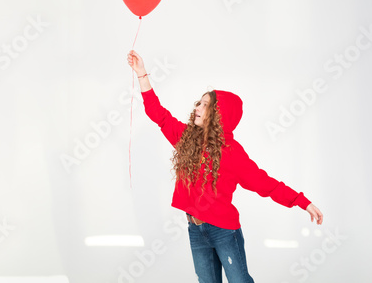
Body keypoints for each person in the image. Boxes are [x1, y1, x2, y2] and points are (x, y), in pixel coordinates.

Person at [127, 50, 324, 283]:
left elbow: (266, 185)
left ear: (219, 115)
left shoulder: (233, 153)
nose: (197, 108)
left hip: (223, 232)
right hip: (195, 230)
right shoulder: (187, 138)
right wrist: (141, 74)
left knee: (239, 280)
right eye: (198, 103)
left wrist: (302, 202)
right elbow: (158, 114)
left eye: (205, 105)